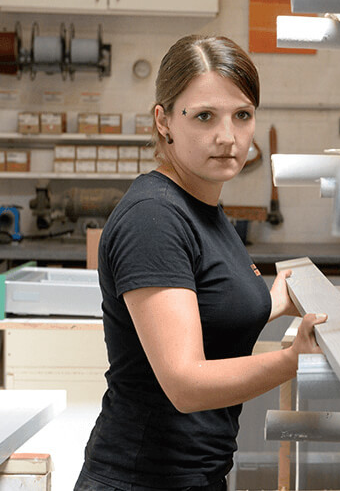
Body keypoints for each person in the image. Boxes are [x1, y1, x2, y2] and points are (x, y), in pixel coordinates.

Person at [75, 34, 326, 490]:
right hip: (141, 480)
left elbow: (203, 315)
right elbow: (185, 383)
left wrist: (270, 303)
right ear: (165, 120)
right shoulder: (153, 217)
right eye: (204, 116)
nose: (228, 137)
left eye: (242, 115)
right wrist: (293, 359)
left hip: (195, 477)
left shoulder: (201, 207)